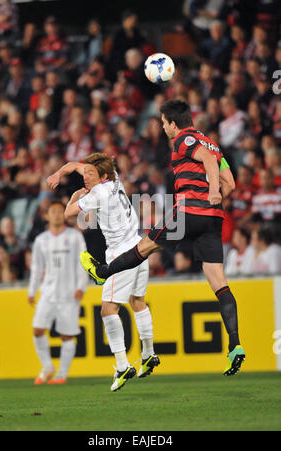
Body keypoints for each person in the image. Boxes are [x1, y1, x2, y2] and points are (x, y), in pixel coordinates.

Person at [80, 100, 245, 376]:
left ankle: (102, 272)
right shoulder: (215, 145)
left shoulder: (184, 138)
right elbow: (232, 183)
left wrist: (210, 192)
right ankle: (235, 345)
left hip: (188, 210)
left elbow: (205, 161)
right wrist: (214, 199)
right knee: (219, 283)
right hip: (213, 218)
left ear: (173, 123)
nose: (163, 127)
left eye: (164, 122)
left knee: (143, 247)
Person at [47, 153, 160, 392]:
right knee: (138, 301)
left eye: (90, 175)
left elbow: (68, 214)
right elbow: (75, 166)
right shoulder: (114, 179)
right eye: (85, 173)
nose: (85, 177)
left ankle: (122, 365)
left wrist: (75, 197)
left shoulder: (98, 194)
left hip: (122, 256)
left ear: (103, 176)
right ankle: (149, 354)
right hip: (140, 247)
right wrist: (61, 172)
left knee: (108, 309)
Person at [28, 200, 88, 385]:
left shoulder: (75, 236)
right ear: (46, 216)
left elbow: (83, 262)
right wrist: (32, 290)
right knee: (38, 330)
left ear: (64, 214)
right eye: (52, 211)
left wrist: (81, 286)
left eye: (59, 211)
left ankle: (62, 374)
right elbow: (37, 267)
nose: (55, 214)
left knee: (66, 335)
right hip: (47, 293)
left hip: (69, 293)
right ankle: (48, 367)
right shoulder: (41, 240)